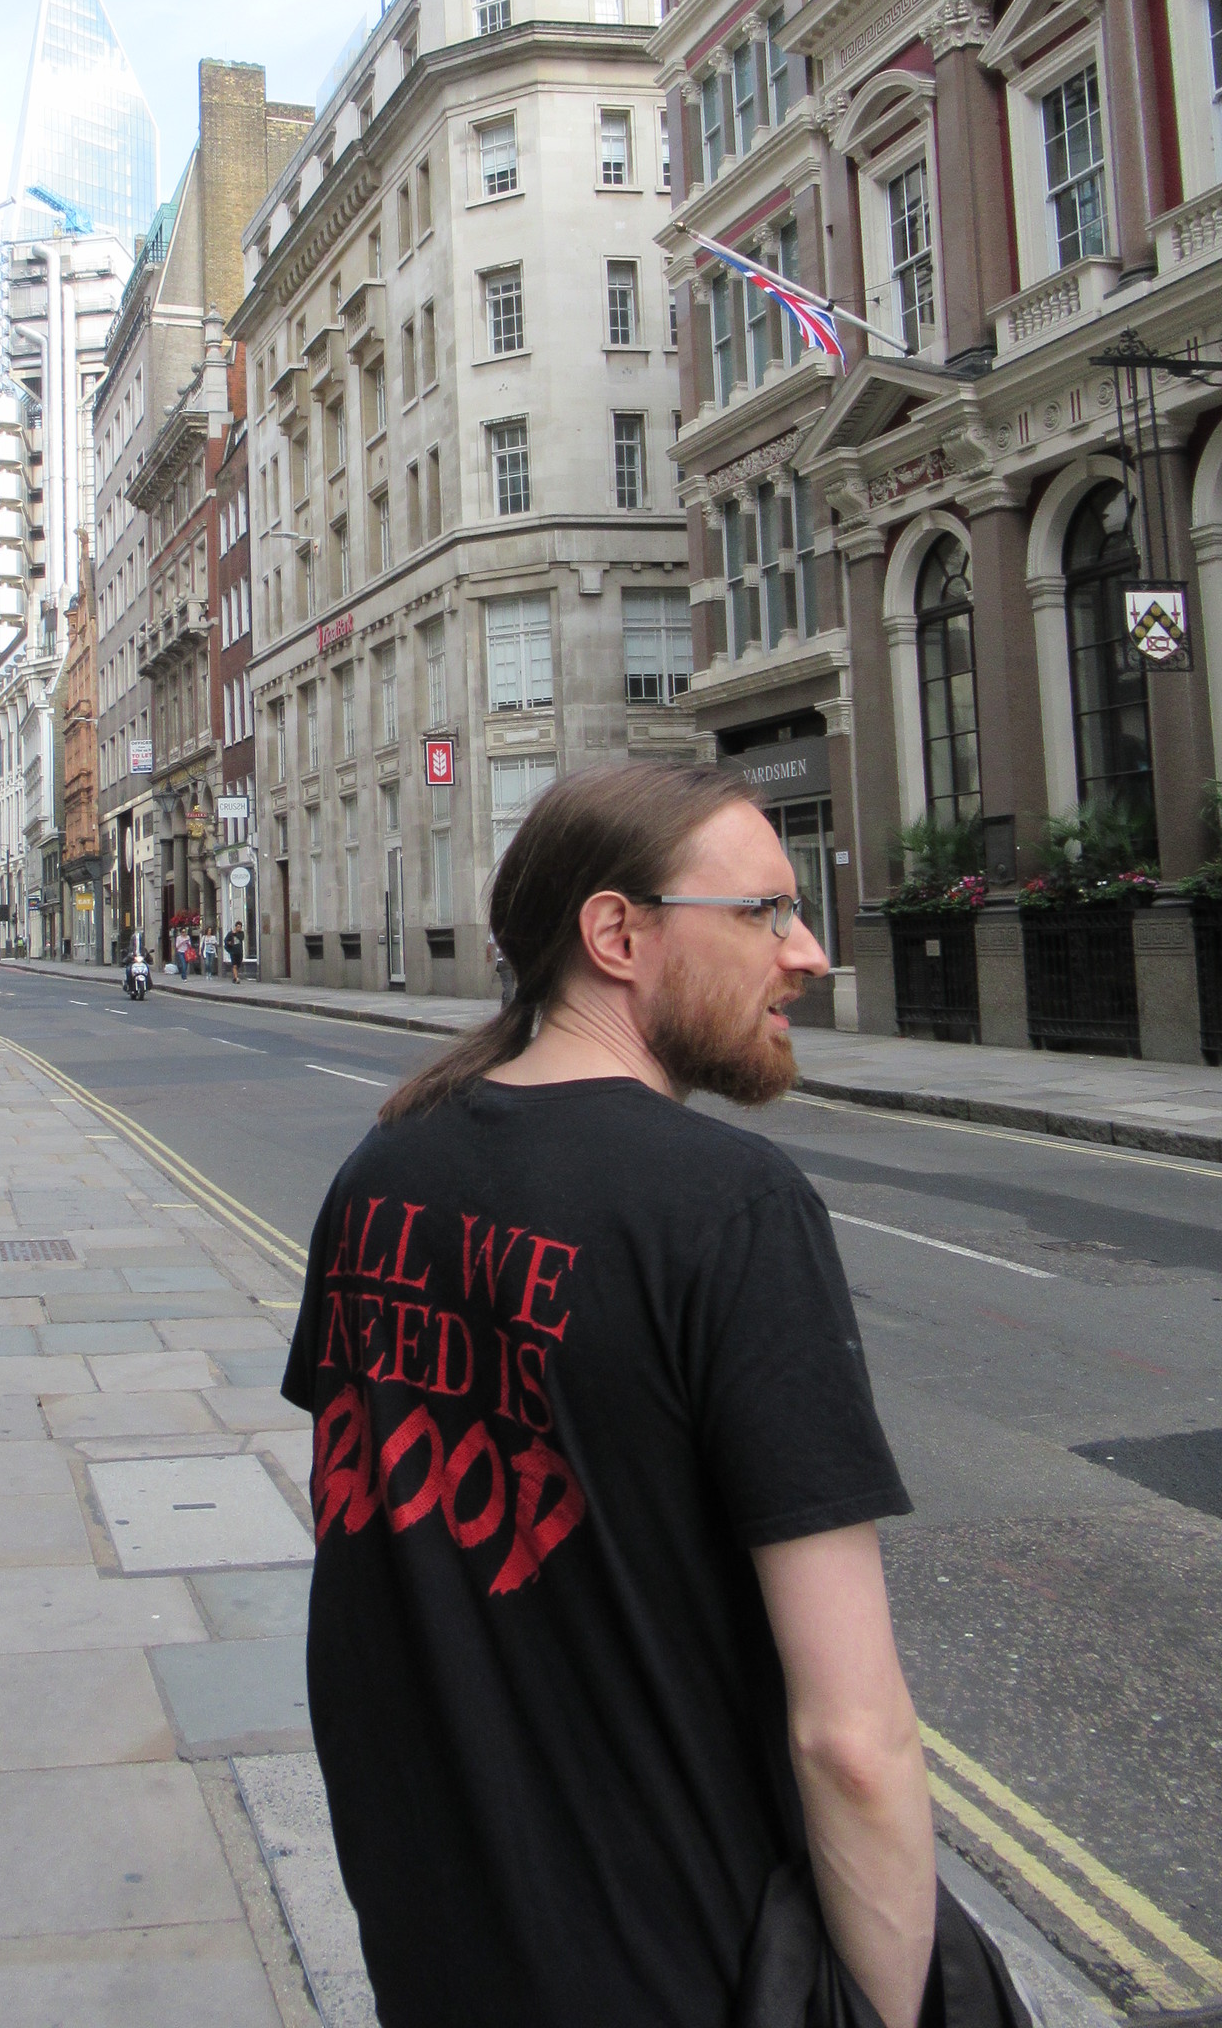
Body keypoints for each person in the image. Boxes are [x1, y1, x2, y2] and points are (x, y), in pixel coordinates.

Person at [281, 762, 938, 2028]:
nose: (806, 954)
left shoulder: (380, 1174)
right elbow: (854, 1741)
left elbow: (375, 1546)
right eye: (765, 913)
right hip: (686, 1964)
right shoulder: (730, 1207)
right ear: (617, 935)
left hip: (436, 1946)